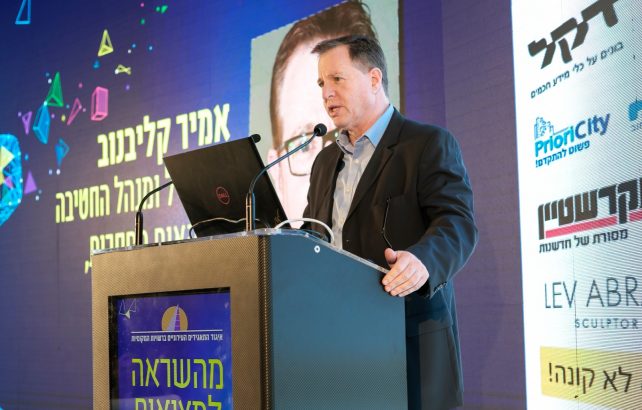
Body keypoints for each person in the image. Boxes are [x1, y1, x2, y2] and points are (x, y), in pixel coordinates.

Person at [304, 35, 478, 409]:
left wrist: (423, 260)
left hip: (408, 340)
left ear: (373, 79)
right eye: (321, 83)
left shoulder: (426, 143)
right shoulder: (324, 162)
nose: (326, 93)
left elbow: (457, 223)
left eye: (337, 79)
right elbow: (316, 236)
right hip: (337, 345)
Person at [267, 1, 378, 221]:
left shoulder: (423, 148)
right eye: (303, 145)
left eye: (343, 134)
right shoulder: (322, 167)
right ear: (277, 174)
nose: (327, 95)